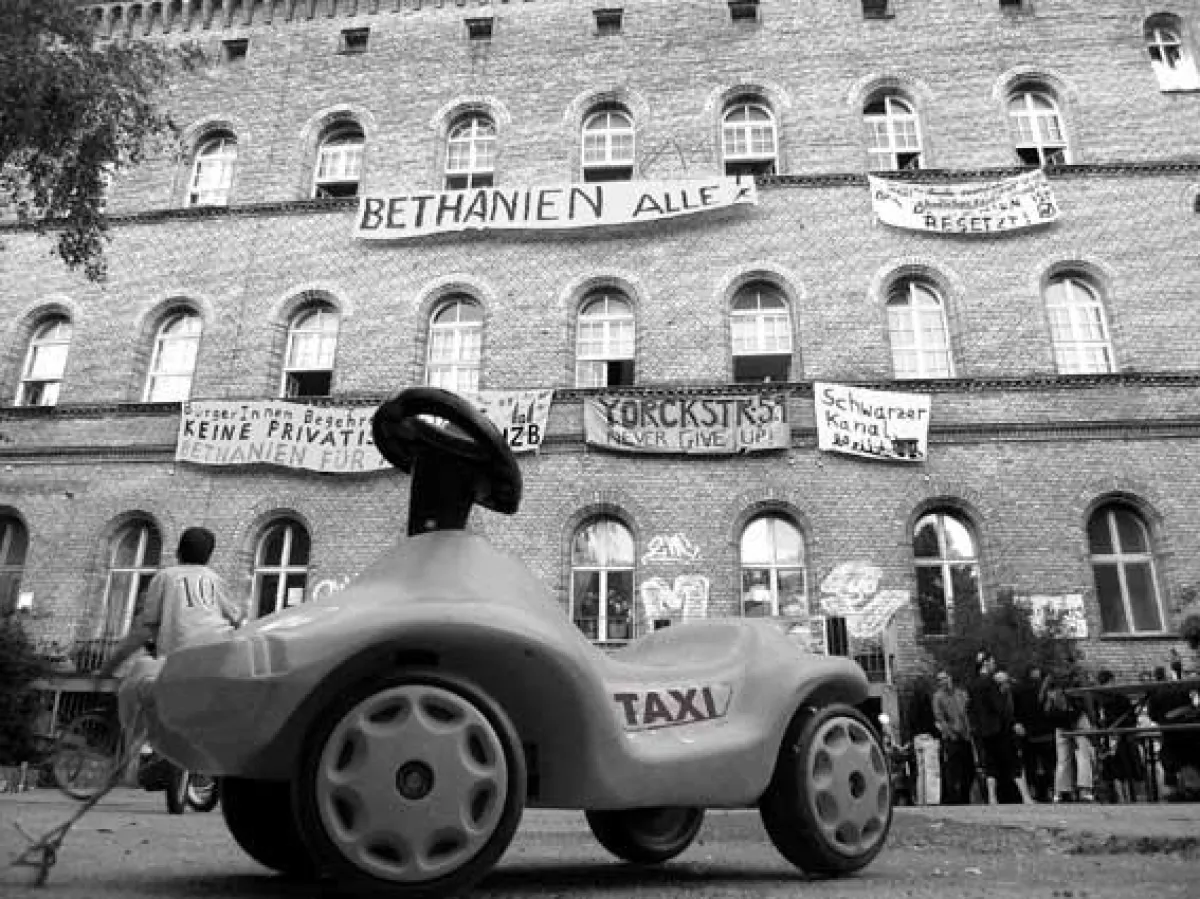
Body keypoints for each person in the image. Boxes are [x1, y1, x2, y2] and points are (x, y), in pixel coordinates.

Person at [97, 527, 245, 760]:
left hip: (179, 657)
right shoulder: (216, 580)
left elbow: (148, 625)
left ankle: (137, 746)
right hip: (217, 656)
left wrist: (109, 667)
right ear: (209, 556)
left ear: (178, 552)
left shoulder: (165, 577)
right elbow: (236, 619)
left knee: (133, 685)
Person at [1093, 669, 1141, 803]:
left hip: (1112, 737)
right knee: (1119, 768)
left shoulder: (1098, 698)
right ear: (1111, 681)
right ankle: (1123, 797)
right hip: (1118, 737)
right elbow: (1131, 719)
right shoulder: (1118, 698)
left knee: (1115, 768)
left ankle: (1122, 796)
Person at [931, 669, 975, 805]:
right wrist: (950, 733)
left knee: (969, 769)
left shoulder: (961, 694)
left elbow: (968, 712)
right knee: (952, 770)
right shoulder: (938, 697)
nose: (943, 681)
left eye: (945, 678)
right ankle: (953, 799)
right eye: (940, 680)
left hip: (966, 737)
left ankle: (965, 796)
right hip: (951, 738)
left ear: (950, 678)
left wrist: (970, 731)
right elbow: (939, 718)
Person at [1017, 665, 1056, 802]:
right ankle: (1050, 790)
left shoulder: (1020, 689)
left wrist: (1018, 723)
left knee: (1031, 765)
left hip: (1029, 733)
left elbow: (1016, 710)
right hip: (1045, 732)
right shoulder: (1047, 689)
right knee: (1048, 764)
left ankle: (1034, 790)